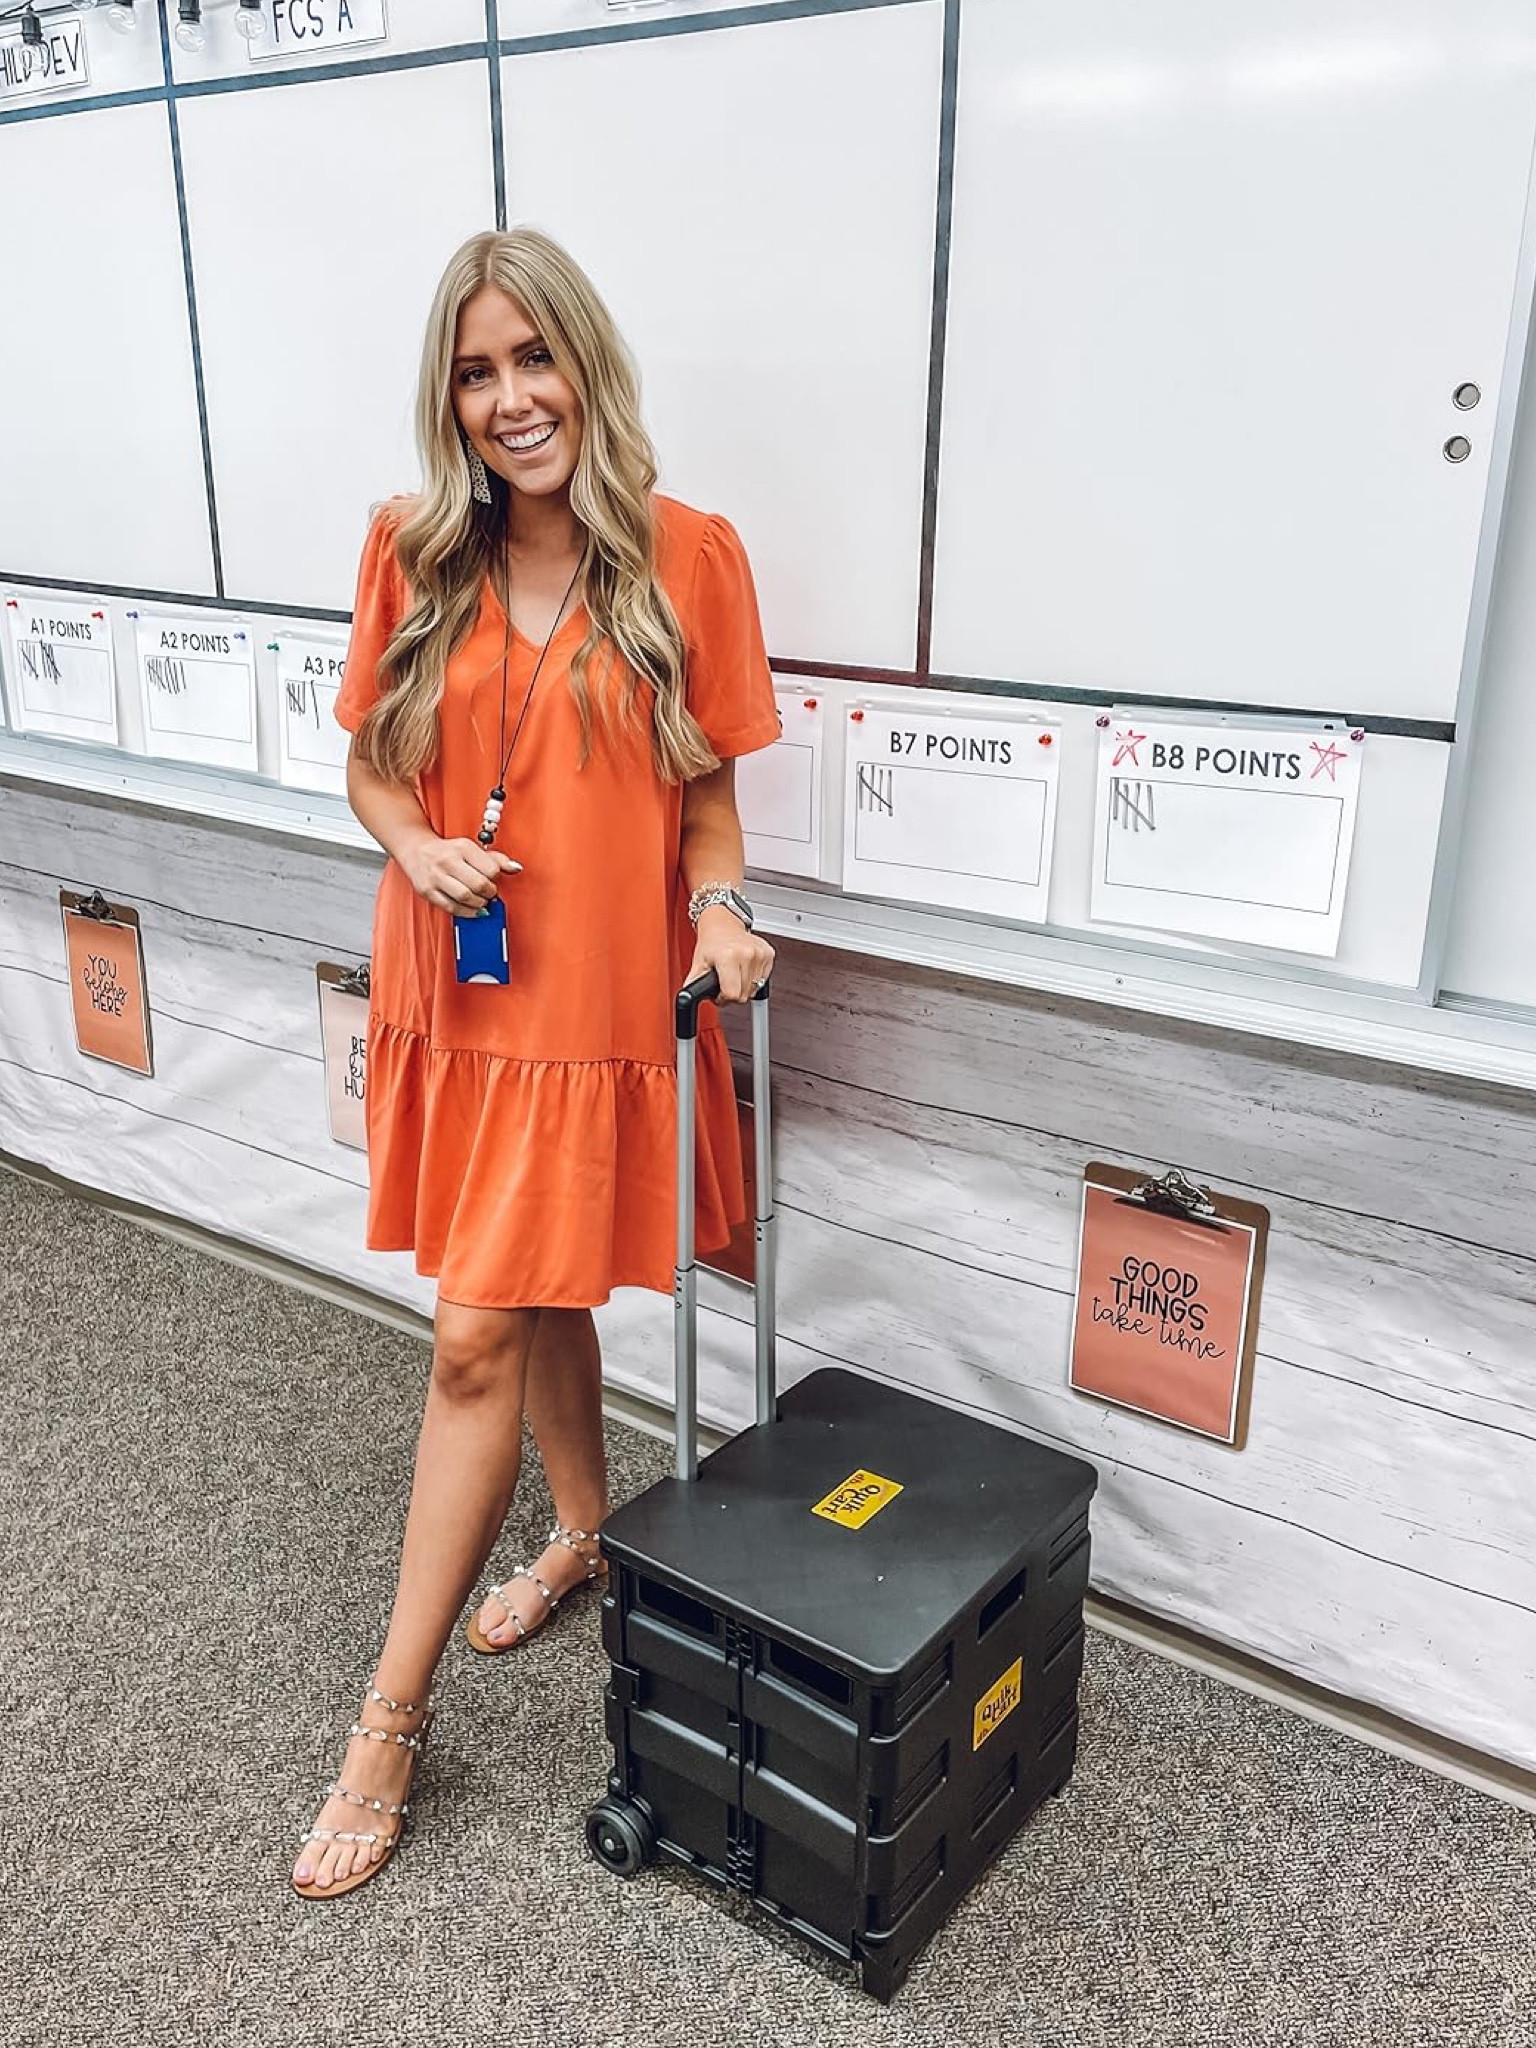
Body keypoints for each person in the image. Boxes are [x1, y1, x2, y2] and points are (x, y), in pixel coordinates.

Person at [292, 227, 778, 1900]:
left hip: (593, 1008)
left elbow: (708, 791)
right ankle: (540, 1568)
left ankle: (396, 1706)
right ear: (452, 398)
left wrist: (717, 906)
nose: (512, 399)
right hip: (461, 982)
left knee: (483, 1327)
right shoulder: (409, 549)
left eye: (534, 360)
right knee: (505, 1308)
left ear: (586, 363)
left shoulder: (690, 558)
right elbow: (367, 769)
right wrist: (414, 845)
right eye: (477, 372)